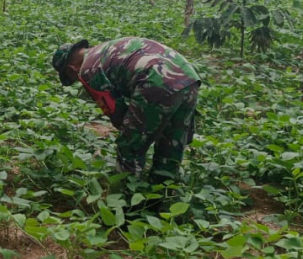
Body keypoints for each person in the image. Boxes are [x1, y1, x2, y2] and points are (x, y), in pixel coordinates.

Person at [52, 37, 201, 185]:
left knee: (129, 147)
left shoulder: (87, 69)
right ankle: (162, 197)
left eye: (72, 78)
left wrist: (134, 134)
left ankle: (127, 199)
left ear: (72, 69)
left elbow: (115, 111)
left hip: (156, 82)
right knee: (172, 144)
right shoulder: (105, 49)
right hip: (189, 78)